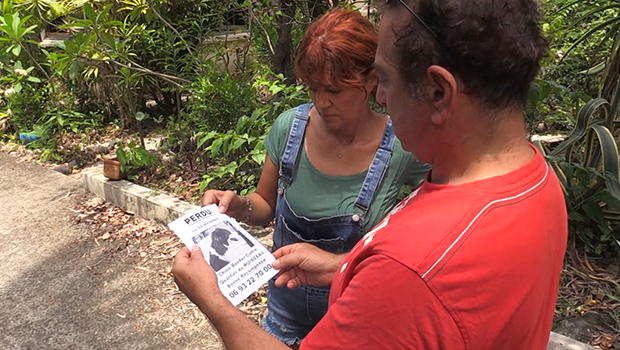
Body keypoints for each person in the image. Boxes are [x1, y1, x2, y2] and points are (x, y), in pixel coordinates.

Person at [172, 0, 568, 349]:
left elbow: (405, 282)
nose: (382, 97)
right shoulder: (538, 184)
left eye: (386, 79)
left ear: (437, 92)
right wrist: (342, 266)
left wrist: (211, 298)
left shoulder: (408, 271)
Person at [198, 8, 429, 346]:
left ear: (370, 80)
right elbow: (264, 205)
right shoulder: (290, 130)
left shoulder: (403, 147)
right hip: (283, 318)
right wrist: (238, 206)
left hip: (359, 326)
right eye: (313, 89)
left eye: (334, 90)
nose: (322, 102)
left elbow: (428, 232)